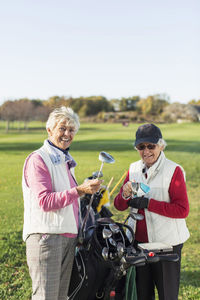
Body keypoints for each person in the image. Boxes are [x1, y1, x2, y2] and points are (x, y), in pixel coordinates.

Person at [22, 106, 102, 300]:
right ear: (49, 130)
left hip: (67, 238)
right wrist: (80, 190)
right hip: (47, 239)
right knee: (45, 296)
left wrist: (87, 194)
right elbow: (45, 201)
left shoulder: (64, 159)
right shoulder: (38, 159)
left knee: (60, 297)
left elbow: (68, 199)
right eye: (62, 129)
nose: (67, 134)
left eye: (71, 130)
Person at [114, 123, 190, 300]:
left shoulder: (174, 170)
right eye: (141, 147)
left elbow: (182, 210)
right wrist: (125, 194)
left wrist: (149, 204)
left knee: (167, 294)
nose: (146, 151)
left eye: (151, 146)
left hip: (167, 245)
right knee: (142, 294)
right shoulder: (133, 169)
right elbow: (119, 206)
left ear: (161, 146)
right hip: (138, 244)